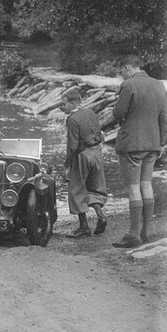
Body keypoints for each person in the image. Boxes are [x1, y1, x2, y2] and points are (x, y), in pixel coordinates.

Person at [106, 55, 167, 248]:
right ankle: (147, 232)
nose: (122, 77)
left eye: (122, 72)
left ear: (127, 68)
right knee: (146, 184)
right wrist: (159, 143)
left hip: (132, 144)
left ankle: (133, 234)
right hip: (152, 144)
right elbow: (166, 120)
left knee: (134, 187)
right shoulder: (159, 85)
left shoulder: (129, 86)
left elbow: (118, 114)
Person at [60, 88, 108, 238]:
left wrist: (67, 165)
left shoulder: (72, 119)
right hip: (96, 153)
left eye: (64, 104)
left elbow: (72, 145)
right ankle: (100, 215)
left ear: (73, 103)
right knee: (95, 187)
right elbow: (99, 134)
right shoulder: (91, 113)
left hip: (82, 155)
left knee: (77, 189)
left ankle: (84, 226)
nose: (62, 107)